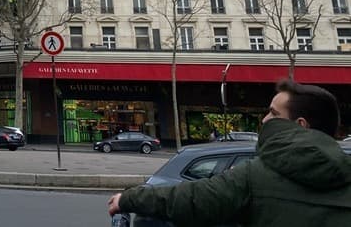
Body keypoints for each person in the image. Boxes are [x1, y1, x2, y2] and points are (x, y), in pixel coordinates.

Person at [108, 78, 351, 226]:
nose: (265, 120)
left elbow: (193, 198)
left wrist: (127, 199)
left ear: (300, 125)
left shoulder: (256, 176)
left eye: (273, 114)